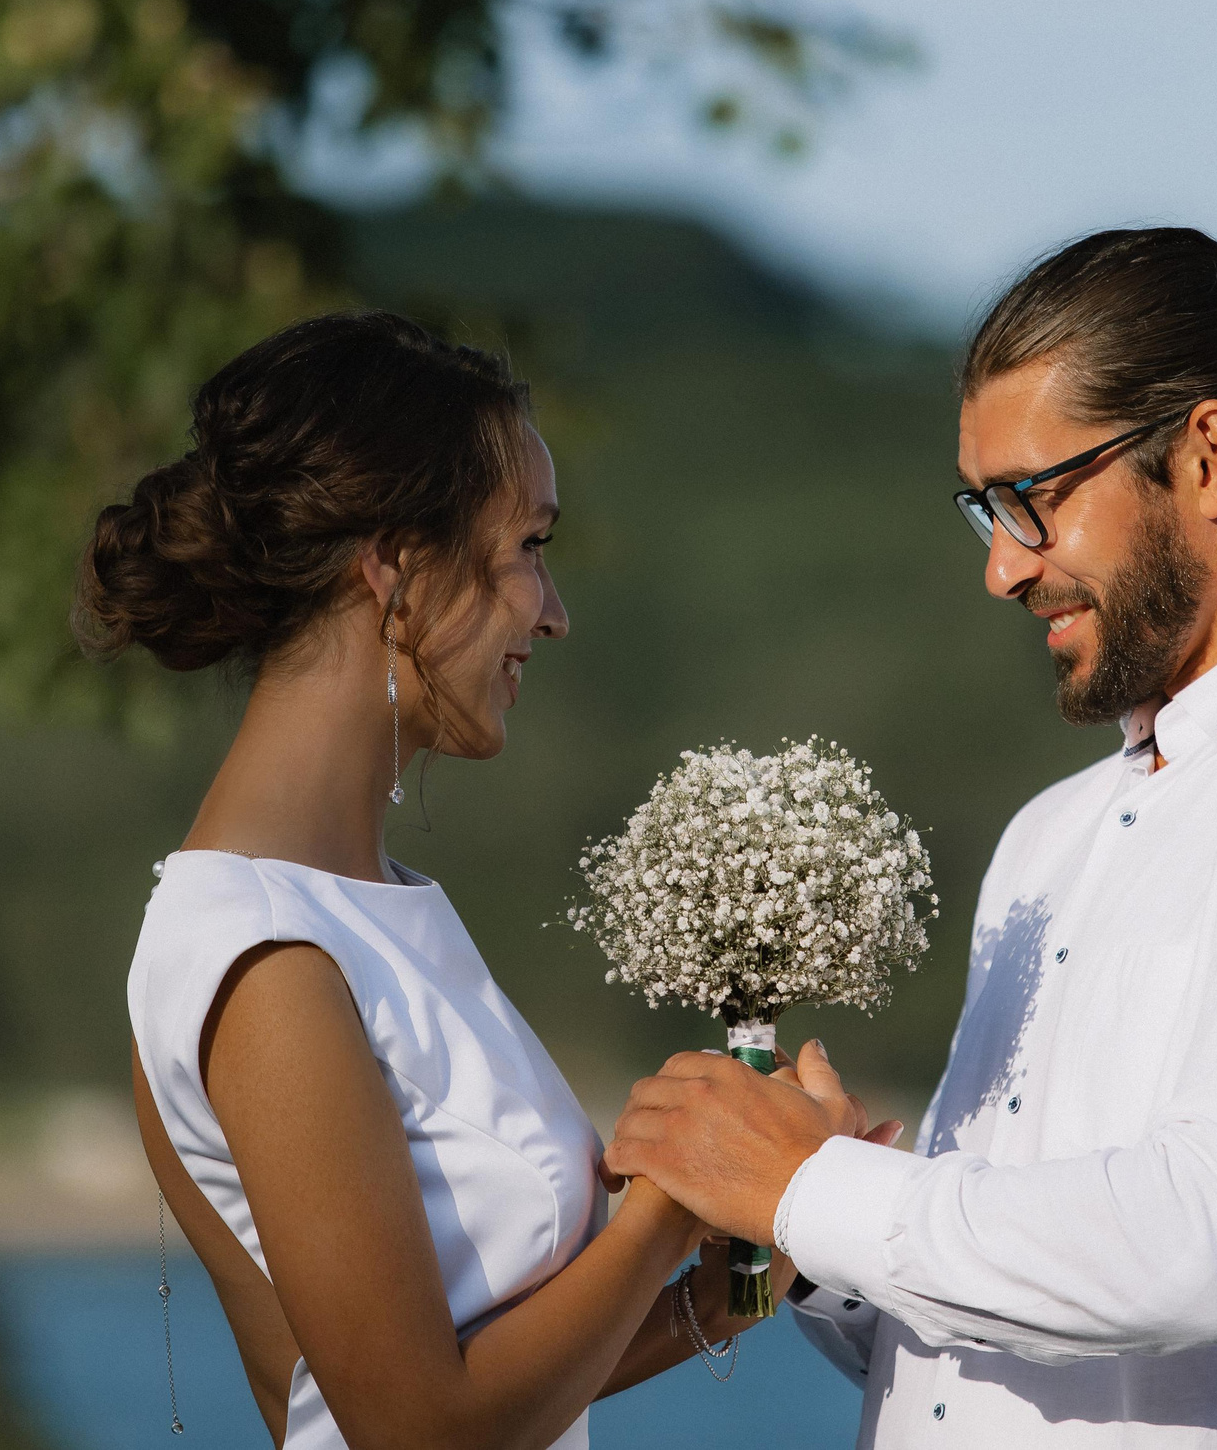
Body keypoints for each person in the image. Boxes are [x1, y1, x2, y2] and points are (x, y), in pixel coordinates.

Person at [605, 228, 1217, 1450]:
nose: (1000, 568)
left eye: (1032, 499)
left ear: (1206, 455)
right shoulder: (1051, 835)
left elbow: (1213, 1247)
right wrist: (798, 1236)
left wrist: (807, 1185)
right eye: (982, 509)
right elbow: (966, 1350)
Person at [93, 313, 839, 1450]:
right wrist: (671, 1197)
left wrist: (743, 1265)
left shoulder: (368, 908)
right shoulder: (263, 956)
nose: (553, 609)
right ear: (393, 568)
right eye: (528, 546)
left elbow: (506, 1380)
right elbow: (414, 1429)